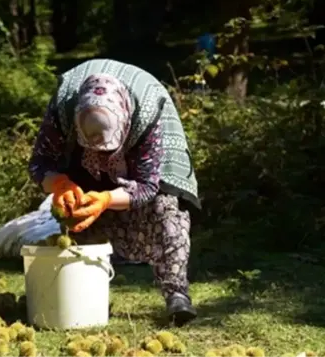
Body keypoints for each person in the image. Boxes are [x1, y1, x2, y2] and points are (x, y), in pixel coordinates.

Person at [28, 59, 201, 326]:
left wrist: (107, 199)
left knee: (167, 210)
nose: (101, 156)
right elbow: (40, 162)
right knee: (77, 214)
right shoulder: (63, 106)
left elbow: (147, 186)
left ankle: (176, 293)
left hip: (149, 169)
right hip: (80, 163)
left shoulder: (147, 114)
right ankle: (84, 292)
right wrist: (60, 184)